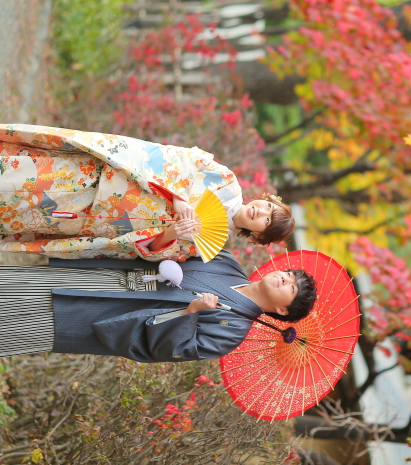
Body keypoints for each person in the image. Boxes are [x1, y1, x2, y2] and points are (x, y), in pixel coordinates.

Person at [0, 123, 295, 261]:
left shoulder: (207, 245)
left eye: (267, 221)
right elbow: (180, 157)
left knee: (30, 212)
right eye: (269, 207)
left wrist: (174, 234)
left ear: (257, 237)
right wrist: (179, 199)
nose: (261, 212)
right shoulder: (226, 181)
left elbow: (151, 253)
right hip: (113, 178)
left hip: (102, 220)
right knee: (29, 177)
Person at [0, 250, 317, 363]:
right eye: (288, 274)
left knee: (24, 325)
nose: (283, 279)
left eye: (290, 287)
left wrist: (190, 313)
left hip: (111, 315)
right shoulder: (227, 264)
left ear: (283, 312)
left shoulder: (231, 333)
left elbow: (168, 350)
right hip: (113, 279)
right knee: (17, 283)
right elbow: (178, 248)